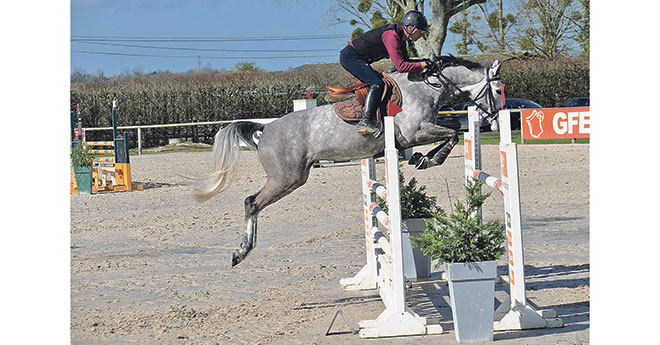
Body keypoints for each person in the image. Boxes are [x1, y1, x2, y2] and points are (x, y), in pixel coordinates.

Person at [339, 10, 429, 135]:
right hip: (350, 58)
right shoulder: (391, 36)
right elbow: (402, 66)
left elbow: (406, 61)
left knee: (380, 81)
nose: (421, 36)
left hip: (359, 59)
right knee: (377, 83)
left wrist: (423, 62)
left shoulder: (401, 39)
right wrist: (421, 65)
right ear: (410, 28)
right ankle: (366, 121)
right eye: (421, 32)